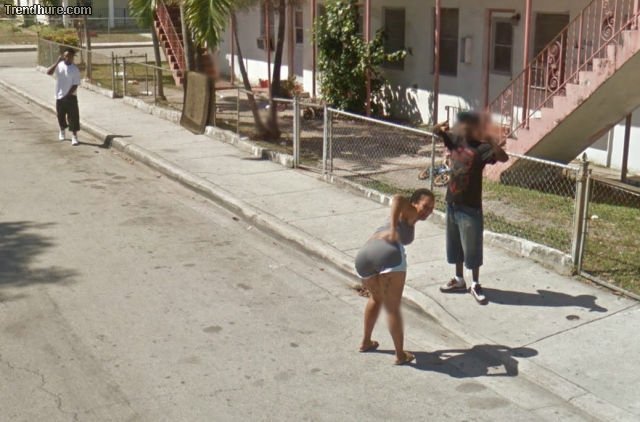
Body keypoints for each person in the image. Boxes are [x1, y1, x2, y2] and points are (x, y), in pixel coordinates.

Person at [434, 111, 508, 305]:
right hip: (452, 202)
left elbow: (503, 158)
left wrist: (492, 142)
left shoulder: (482, 149)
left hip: (470, 206)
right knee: (455, 244)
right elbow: (436, 132)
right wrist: (439, 128)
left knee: (472, 247)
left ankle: (475, 283)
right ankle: (459, 279)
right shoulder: (455, 141)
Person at [355, 189, 435, 365]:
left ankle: (366, 342)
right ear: (415, 203)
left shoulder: (411, 217)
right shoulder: (411, 211)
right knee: (392, 307)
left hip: (364, 256)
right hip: (388, 254)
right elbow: (397, 198)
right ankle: (400, 355)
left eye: (431, 208)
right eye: (425, 206)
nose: (428, 211)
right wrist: (392, 229)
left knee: (376, 298)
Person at [47, 47, 81, 146]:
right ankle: (62, 130)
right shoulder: (59, 65)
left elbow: (75, 84)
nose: (67, 58)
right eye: (65, 56)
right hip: (59, 96)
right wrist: (57, 62)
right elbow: (49, 72)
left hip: (71, 97)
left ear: (73, 57)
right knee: (60, 115)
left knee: (73, 117)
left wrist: (68, 94)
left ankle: (74, 136)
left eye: (70, 56)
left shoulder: (75, 69)